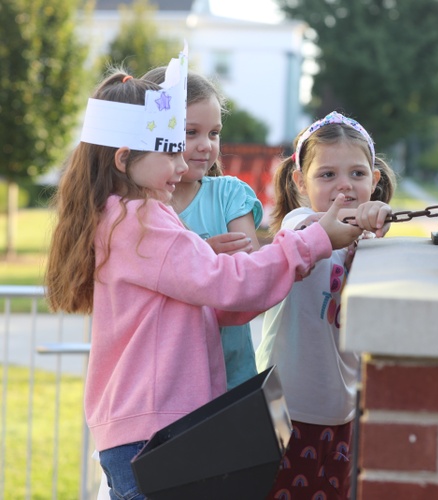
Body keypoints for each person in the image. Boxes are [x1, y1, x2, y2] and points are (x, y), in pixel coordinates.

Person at [44, 45, 372, 499]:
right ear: (124, 160)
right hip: (157, 429)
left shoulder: (117, 218)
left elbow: (214, 300)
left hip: (144, 426)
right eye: (170, 153)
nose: (183, 166)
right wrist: (313, 241)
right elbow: (226, 286)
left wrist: (232, 269)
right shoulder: (143, 219)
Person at [256, 111, 396, 500]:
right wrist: (356, 221)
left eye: (356, 174)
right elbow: (308, 233)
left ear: (375, 180)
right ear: (300, 181)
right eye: (327, 175)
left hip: (341, 411)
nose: (344, 187)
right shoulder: (299, 225)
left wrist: (375, 224)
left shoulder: (370, 241)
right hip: (285, 411)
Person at [143, 67, 261, 390]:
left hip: (233, 382)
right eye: (190, 132)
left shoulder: (230, 195)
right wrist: (205, 257)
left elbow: (250, 278)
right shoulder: (140, 210)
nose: (206, 145)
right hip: (168, 386)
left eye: (214, 133)